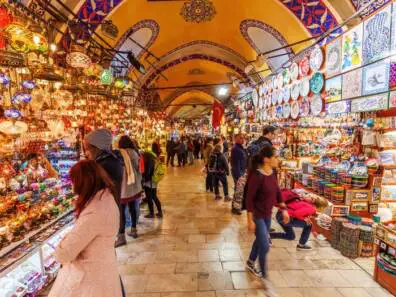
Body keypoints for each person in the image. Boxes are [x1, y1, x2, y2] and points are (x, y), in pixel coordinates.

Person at [48, 160, 122, 297]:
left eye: (74, 180)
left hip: (90, 280)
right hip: (103, 270)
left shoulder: (94, 212)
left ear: (83, 182)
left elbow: (64, 254)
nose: (72, 185)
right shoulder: (106, 197)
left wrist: (62, 243)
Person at [246, 146, 289, 283]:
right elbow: (249, 199)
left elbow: (277, 191)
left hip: (267, 215)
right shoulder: (257, 176)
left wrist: (284, 209)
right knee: (264, 245)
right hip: (257, 216)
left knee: (260, 240)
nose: (277, 159)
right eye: (275, 157)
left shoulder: (272, 173)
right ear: (266, 159)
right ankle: (264, 274)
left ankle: (250, 262)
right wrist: (249, 220)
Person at [83, 129, 124, 247]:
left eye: (88, 148)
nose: (86, 152)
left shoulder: (104, 165)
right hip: (110, 212)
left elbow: (95, 190)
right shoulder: (110, 161)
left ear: (96, 147)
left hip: (106, 214)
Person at [118, 136, 143, 239]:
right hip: (133, 185)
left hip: (123, 186)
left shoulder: (119, 154)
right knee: (132, 207)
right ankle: (133, 229)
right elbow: (138, 168)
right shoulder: (134, 153)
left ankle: (121, 235)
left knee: (121, 211)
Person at [142, 149, 163, 218]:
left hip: (149, 182)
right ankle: (160, 212)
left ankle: (151, 213)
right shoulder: (154, 160)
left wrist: (144, 180)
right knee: (154, 196)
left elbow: (148, 173)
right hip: (154, 181)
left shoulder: (148, 162)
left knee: (149, 198)